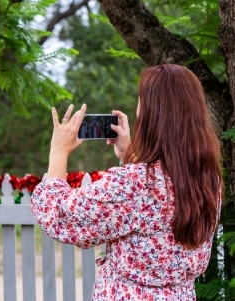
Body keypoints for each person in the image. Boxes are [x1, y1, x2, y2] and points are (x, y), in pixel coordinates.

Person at [31, 64, 222, 300]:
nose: (138, 109)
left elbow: (61, 216)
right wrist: (130, 157)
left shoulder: (134, 183)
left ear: (154, 114)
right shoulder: (208, 179)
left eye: (142, 102)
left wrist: (58, 152)